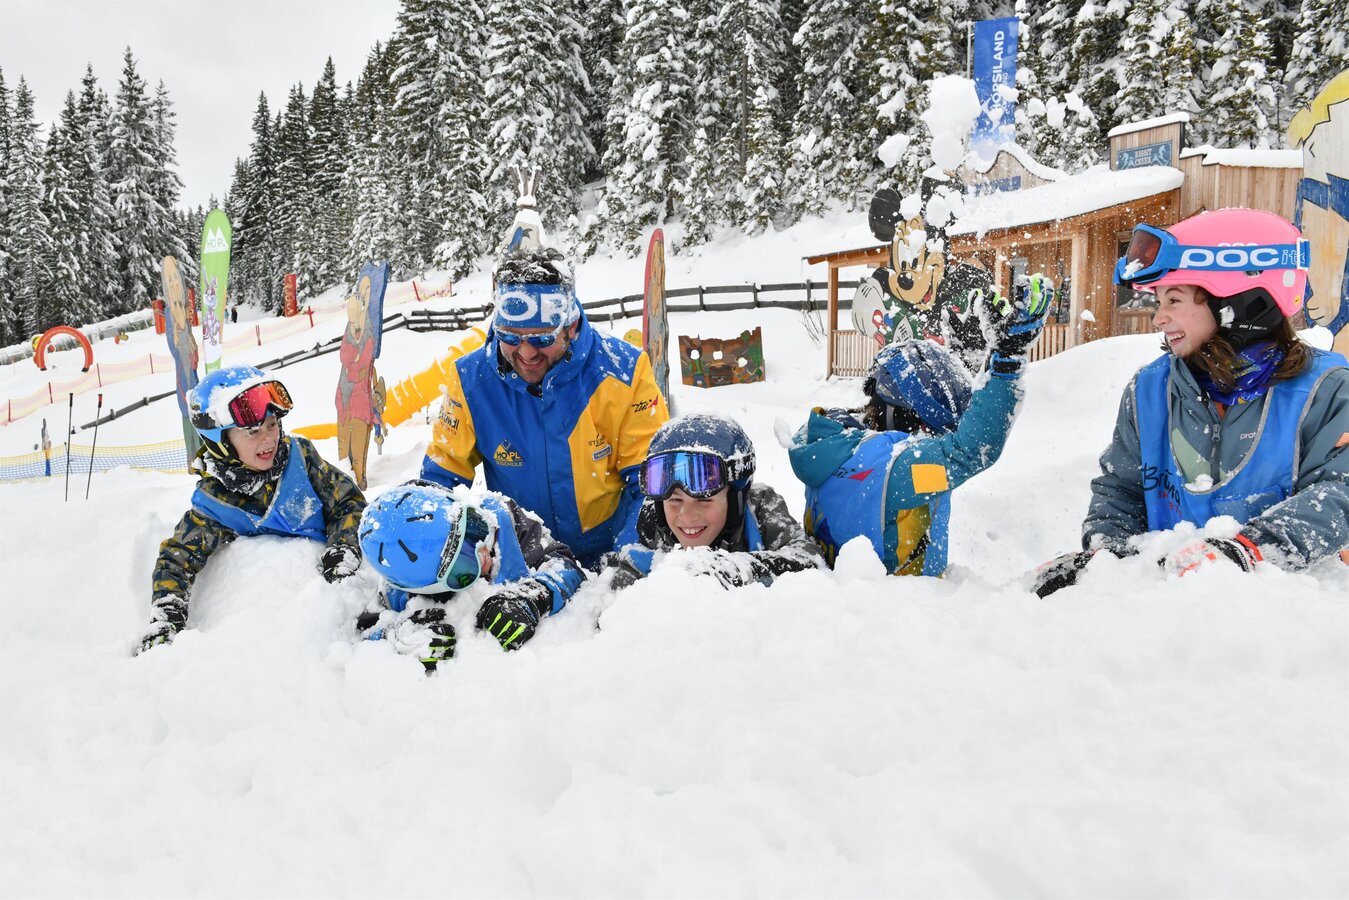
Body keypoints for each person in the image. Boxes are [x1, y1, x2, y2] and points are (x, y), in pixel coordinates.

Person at [1033, 208, 1349, 596]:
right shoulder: (1150, 391)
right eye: (1158, 302)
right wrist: (1109, 560)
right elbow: (1122, 490)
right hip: (1172, 617)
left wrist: (1250, 552)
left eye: (1174, 300)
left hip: (1283, 615)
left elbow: (1339, 494)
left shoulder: (1326, 390)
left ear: (1240, 302)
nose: (1159, 318)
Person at [420, 247, 669, 569]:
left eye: (542, 339)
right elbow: (442, 480)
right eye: (510, 337)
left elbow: (651, 482)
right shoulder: (469, 380)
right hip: (521, 560)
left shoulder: (626, 370)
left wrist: (629, 560)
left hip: (609, 555)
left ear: (571, 326)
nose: (526, 353)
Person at [789, 279, 1051, 576]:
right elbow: (969, 452)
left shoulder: (832, 445)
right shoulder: (896, 471)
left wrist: (988, 359)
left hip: (842, 597)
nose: (933, 438)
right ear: (902, 413)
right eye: (928, 427)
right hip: (902, 604)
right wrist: (1006, 362)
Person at [139, 366, 367, 653]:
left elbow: (349, 503)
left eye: (272, 425)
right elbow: (177, 558)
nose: (269, 438)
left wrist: (342, 553)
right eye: (252, 432)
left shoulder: (300, 458)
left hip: (344, 588)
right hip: (283, 625)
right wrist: (166, 617)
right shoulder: (216, 504)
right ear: (220, 443)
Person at [356, 482, 586, 666]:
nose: (482, 553)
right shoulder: (401, 588)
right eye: (463, 564)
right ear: (428, 587)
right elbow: (367, 634)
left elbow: (566, 566)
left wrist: (534, 597)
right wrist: (400, 638)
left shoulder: (503, 518)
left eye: (474, 530)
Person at [601, 414, 825, 589]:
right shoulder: (652, 524)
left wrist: (732, 570)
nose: (687, 516)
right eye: (675, 500)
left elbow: (809, 560)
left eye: (704, 501)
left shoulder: (761, 508)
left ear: (736, 498)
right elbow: (617, 586)